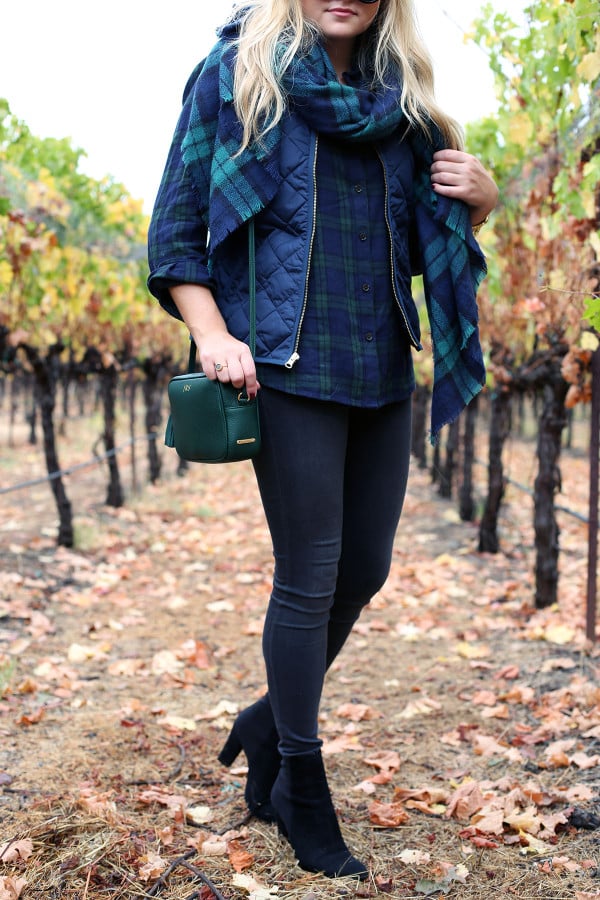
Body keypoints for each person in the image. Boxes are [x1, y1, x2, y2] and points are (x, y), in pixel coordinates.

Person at [148, 0, 498, 881]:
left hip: (380, 358)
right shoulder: (235, 79)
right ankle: (299, 778)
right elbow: (177, 228)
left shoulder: (403, 103)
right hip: (281, 360)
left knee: (367, 568)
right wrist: (211, 332)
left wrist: (480, 203)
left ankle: (267, 723)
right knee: (309, 572)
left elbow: (419, 243)